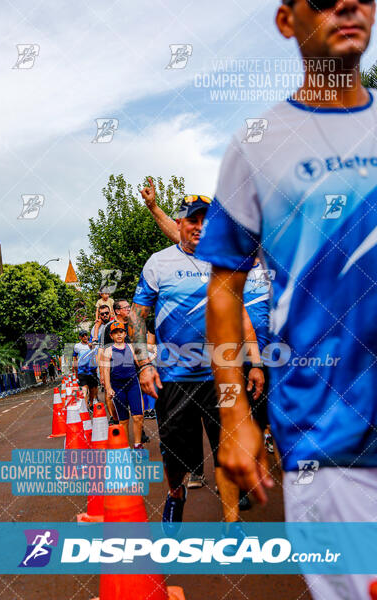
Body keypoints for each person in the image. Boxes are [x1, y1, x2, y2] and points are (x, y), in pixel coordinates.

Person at [195, 1, 377, 598]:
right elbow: (224, 286)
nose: (349, 4)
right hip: (332, 440)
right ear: (285, 20)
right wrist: (232, 416)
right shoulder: (258, 144)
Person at [129, 193, 261, 529]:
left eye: (207, 221)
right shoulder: (159, 263)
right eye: (193, 220)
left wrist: (256, 363)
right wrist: (144, 365)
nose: (200, 227)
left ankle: (232, 525)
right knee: (175, 454)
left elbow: (242, 316)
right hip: (173, 378)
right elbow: (137, 316)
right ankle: (176, 496)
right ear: (180, 225)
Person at [103, 321, 144, 449]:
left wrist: (152, 358)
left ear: (125, 334)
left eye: (121, 332)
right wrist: (108, 388)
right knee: (123, 420)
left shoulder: (131, 347)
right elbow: (106, 371)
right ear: (111, 336)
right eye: (115, 333)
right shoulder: (108, 351)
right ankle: (125, 446)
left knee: (138, 416)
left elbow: (139, 363)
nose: (119, 335)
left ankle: (138, 444)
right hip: (117, 387)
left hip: (132, 384)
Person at [72, 331, 98, 410]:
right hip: (82, 371)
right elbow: (74, 356)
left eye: (86, 335)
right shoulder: (77, 346)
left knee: (92, 389)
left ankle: (90, 403)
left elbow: (96, 355)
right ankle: (86, 407)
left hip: (92, 370)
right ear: (80, 337)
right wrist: (75, 367)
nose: (85, 337)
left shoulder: (92, 345)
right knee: (84, 389)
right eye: (83, 336)